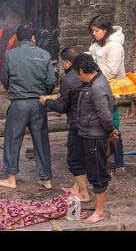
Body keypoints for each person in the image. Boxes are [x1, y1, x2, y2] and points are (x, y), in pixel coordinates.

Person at [0, 24, 56, 190]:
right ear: (33, 37)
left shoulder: (10, 55)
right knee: (41, 141)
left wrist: (14, 91)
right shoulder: (44, 55)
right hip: (38, 102)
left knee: (12, 140)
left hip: (18, 104)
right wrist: (43, 95)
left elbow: (4, 78)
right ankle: (46, 179)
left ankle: (11, 179)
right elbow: (51, 82)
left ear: (17, 38)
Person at [40, 47, 90, 202]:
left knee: (75, 159)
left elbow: (61, 107)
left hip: (77, 123)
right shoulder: (92, 73)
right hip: (92, 121)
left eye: (63, 63)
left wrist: (47, 101)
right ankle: (76, 187)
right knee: (84, 156)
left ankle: (84, 193)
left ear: (68, 62)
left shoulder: (68, 79)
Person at [72, 54, 116, 224]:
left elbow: (105, 114)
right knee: (94, 170)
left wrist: (111, 130)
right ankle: (98, 206)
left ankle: (99, 212)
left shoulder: (96, 87)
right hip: (90, 132)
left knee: (98, 173)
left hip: (94, 136)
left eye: (77, 73)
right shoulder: (96, 80)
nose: (77, 76)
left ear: (82, 71)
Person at [87, 15, 126, 176]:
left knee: (112, 125)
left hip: (110, 92)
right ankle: (101, 159)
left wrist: (92, 65)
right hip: (97, 89)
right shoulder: (96, 44)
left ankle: (119, 163)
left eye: (96, 31)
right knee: (101, 125)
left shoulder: (115, 46)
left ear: (105, 30)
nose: (94, 34)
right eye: (92, 31)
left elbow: (111, 71)